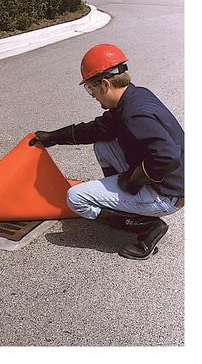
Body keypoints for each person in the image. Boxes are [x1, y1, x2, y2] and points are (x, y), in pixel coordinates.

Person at [29, 43, 184, 260]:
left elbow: (167, 157)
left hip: (167, 194)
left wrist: (133, 181)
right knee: (103, 144)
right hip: (170, 182)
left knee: (76, 198)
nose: (92, 95)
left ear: (104, 84)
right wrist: (53, 138)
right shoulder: (134, 97)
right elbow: (97, 130)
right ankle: (125, 205)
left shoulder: (134, 115)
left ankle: (146, 226)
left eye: (91, 88)